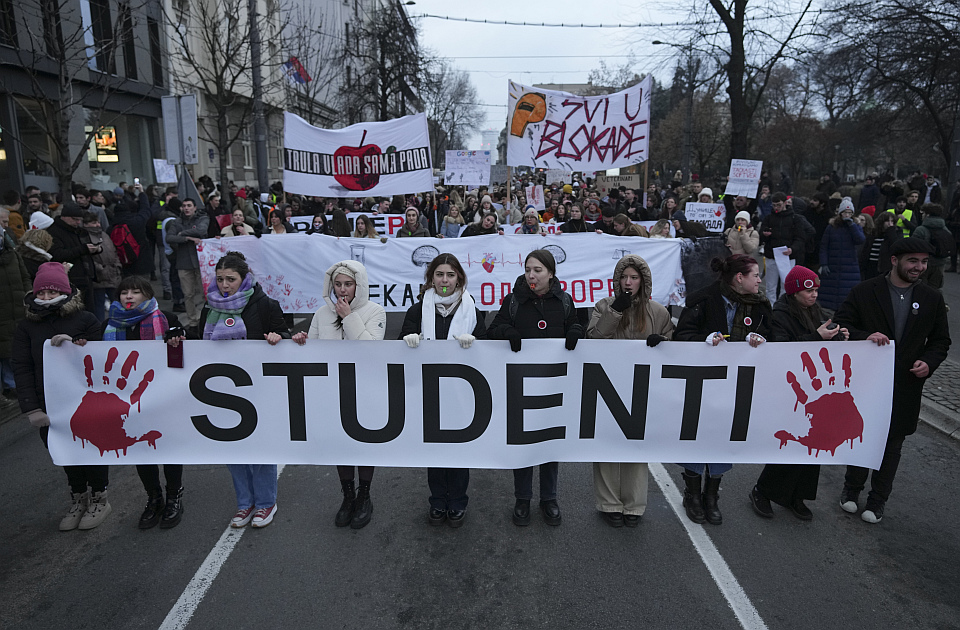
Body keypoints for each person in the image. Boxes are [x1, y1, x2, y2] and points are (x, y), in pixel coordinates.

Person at [835, 238, 950, 523]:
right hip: (868, 382)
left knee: (892, 444)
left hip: (905, 385)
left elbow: (940, 341)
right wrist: (865, 336)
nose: (919, 267)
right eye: (913, 261)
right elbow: (841, 326)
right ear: (894, 261)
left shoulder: (932, 297)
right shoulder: (865, 291)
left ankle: (878, 500)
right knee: (861, 436)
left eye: (923, 262)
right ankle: (851, 491)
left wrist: (929, 362)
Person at [190, 251, 290, 528]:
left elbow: (285, 335)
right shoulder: (209, 308)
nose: (224, 285)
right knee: (232, 449)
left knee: (259, 446)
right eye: (220, 279)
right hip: (221, 390)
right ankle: (245, 503)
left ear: (245, 278)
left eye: (231, 279)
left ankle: (266, 502)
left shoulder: (265, 304)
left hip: (258, 388)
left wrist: (277, 337)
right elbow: (200, 343)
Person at [673, 254, 772, 525]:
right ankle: (692, 495)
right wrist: (703, 341)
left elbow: (776, 340)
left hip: (737, 388)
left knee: (723, 439)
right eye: (755, 275)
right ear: (740, 278)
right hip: (702, 385)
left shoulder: (761, 306)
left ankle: (711, 496)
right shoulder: (703, 300)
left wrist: (763, 340)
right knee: (696, 436)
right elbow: (681, 336)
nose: (760, 280)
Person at [487, 249, 584, 526]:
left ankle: (549, 498)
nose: (532, 275)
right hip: (521, 385)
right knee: (524, 444)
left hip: (554, 385)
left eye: (538, 270)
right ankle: (522, 498)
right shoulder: (514, 300)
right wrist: (507, 331)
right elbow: (493, 329)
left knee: (550, 444)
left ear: (550, 273)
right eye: (528, 269)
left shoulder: (564, 301)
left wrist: (575, 330)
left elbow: (574, 325)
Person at [12, 262, 105, 530]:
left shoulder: (85, 319)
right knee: (62, 451)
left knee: (91, 448)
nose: (46, 298)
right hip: (47, 403)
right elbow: (22, 367)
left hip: (84, 400)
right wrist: (31, 408)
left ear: (65, 292)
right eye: (41, 293)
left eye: (52, 292)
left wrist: (77, 344)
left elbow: (103, 357)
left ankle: (100, 496)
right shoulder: (26, 326)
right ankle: (78, 497)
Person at [749, 266, 848, 520]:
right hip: (792, 389)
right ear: (794, 292)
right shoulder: (780, 314)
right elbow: (782, 348)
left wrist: (839, 337)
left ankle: (797, 495)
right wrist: (817, 336)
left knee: (814, 443)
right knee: (792, 441)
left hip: (815, 390)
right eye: (809, 290)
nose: (814, 295)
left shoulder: (815, 311)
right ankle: (762, 490)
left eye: (816, 289)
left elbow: (824, 336)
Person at [292, 260, 385, 528]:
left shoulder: (375, 311)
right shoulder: (322, 313)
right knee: (340, 446)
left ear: (360, 285)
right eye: (338, 284)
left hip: (364, 388)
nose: (342, 290)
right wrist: (302, 342)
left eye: (348, 284)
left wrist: (349, 317)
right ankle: (347, 495)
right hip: (332, 389)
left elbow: (371, 348)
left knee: (364, 445)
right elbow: (314, 352)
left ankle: (364, 494)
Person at [399, 254, 487, 527]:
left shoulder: (473, 310)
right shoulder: (417, 311)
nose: (444, 280)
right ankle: (437, 501)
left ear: (459, 277)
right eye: (439, 275)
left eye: (450, 275)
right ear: (431, 279)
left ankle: (458, 501)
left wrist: (477, 344)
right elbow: (396, 350)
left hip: (462, 394)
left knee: (459, 450)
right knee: (435, 451)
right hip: (429, 393)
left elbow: (489, 351)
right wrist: (407, 341)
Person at [586, 255, 673, 527]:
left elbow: (672, 346)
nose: (628, 282)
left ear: (643, 281)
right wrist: (616, 311)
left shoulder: (658, 312)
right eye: (624, 277)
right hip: (608, 384)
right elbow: (594, 339)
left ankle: (634, 505)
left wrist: (663, 343)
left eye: (634, 278)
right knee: (608, 445)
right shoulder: (604, 306)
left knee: (636, 446)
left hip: (642, 388)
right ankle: (609, 502)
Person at [99, 276, 184, 528]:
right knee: (140, 448)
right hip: (126, 402)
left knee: (167, 447)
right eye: (124, 292)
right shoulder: (108, 325)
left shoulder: (167, 319)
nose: (129, 296)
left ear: (147, 295)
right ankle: (153, 497)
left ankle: (174, 497)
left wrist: (180, 339)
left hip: (162, 395)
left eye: (135, 292)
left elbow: (193, 349)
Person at [165, 198, 209, 334]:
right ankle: (193, 322)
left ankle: (205, 319)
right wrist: (187, 238)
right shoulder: (176, 222)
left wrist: (183, 233)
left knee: (204, 294)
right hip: (184, 263)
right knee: (188, 294)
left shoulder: (202, 218)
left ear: (195, 207)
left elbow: (201, 231)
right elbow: (169, 237)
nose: (186, 208)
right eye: (184, 206)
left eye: (189, 205)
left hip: (201, 262)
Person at [760, 192, 813, 303]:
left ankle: (782, 309)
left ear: (785, 203)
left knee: (786, 286)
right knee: (770, 286)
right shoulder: (769, 218)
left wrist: (792, 249)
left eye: (778, 205)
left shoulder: (795, 218)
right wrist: (764, 234)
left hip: (787, 256)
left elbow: (800, 238)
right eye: (774, 205)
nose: (776, 208)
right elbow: (761, 236)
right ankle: (771, 309)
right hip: (771, 255)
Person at [818, 198, 865, 311]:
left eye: (850, 213)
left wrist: (852, 226)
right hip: (832, 266)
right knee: (828, 296)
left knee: (847, 295)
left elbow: (860, 240)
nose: (847, 215)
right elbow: (824, 246)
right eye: (845, 212)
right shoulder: (832, 227)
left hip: (849, 268)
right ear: (840, 213)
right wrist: (823, 263)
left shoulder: (856, 226)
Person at [0, 225, 29, 400]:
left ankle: (14, 384)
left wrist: (28, 295)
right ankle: (8, 386)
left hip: (18, 307)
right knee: (3, 349)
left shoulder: (13, 255)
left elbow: (25, 276)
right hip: (2, 311)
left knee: (15, 347)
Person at [82, 212, 121, 322]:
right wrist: (99, 269)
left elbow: (113, 251)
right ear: (86, 224)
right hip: (98, 278)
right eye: (94, 223)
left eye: (98, 222)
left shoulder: (104, 234)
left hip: (112, 275)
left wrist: (117, 265)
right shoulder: (84, 237)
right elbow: (88, 258)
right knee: (98, 305)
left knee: (117, 303)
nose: (97, 225)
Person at [912, 203, 953, 292]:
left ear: (928, 214)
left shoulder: (921, 230)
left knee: (919, 289)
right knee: (935, 290)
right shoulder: (945, 229)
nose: (922, 215)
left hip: (923, 264)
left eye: (923, 213)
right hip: (940, 264)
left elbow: (913, 247)